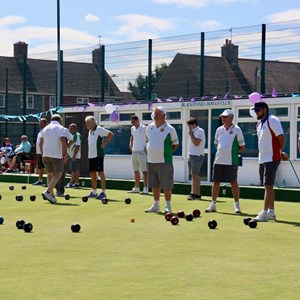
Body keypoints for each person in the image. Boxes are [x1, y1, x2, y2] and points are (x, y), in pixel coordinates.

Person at [205, 109, 245, 214]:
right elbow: (216, 144)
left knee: (234, 183)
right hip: (218, 160)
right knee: (216, 182)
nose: (223, 118)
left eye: (225, 117)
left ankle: (237, 206)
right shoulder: (219, 129)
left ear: (231, 118)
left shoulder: (237, 130)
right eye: (222, 116)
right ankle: (213, 204)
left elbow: (242, 147)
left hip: (232, 161)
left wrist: (232, 152)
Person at [252, 102, 286, 222]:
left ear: (265, 110)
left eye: (258, 109)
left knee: (268, 185)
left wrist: (280, 152)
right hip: (263, 158)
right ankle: (271, 212)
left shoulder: (273, 120)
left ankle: (264, 212)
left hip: (272, 158)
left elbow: (281, 137)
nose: (256, 112)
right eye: (255, 110)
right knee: (268, 186)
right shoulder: (259, 124)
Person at [144, 106, 179, 214]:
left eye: (158, 113)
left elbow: (176, 144)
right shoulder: (149, 127)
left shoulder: (170, 129)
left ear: (164, 115)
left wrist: (166, 153)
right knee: (154, 184)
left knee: (166, 185)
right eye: (155, 113)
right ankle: (156, 205)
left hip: (164, 161)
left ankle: (168, 206)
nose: (155, 115)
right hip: (151, 160)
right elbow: (147, 141)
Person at [39, 114, 68, 204]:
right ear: (60, 120)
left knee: (50, 174)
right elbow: (64, 140)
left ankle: (51, 196)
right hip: (56, 154)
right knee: (58, 174)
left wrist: (42, 155)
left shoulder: (45, 128)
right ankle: (47, 192)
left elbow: (40, 142)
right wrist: (65, 154)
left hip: (46, 154)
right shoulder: (61, 128)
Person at [85, 115, 114, 200]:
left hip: (98, 155)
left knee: (100, 173)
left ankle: (103, 192)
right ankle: (94, 192)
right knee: (92, 173)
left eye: (88, 123)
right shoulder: (89, 131)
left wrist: (104, 143)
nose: (87, 124)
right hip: (91, 155)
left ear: (93, 122)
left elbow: (110, 134)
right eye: (86, 123)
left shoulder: (99, 129)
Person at [186, 117, 206, 200]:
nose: (189, 127)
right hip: (191, 155)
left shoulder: (200, 131)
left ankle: (193, 193)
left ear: (194, 124)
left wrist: (191, 134)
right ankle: (197, 194)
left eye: (190, 125)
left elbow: (196, 143)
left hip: (197, 155)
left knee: (195, 175)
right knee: (194, 175)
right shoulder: (194, 132)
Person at [128, 115, 148, 194]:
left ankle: (145, 188)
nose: (133, 124)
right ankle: (137, 188)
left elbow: (148, 138)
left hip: (141, 151)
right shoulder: (132, 128)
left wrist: (146, 147)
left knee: (144, 171)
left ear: (137, 120)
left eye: (133, 122)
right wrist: (130, 144)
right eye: (131, 122)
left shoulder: (144, 128)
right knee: (136, 170)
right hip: (134, 151)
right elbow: (132, 137)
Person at [55, 127, 73, 197]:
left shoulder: (64, 130)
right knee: (54, 173)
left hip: (61, 155)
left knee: (61, 173)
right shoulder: (49, 130)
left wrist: (66, 148)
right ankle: (55, 190)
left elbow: (71, 140)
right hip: (54, 155)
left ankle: (60, 191)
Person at [66, 123, 82, 188]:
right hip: (71, 155)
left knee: (74, 170)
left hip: (74, 156)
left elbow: (78, 146)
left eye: (71, 128)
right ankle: (77, 183)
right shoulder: (71, 135)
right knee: (75, 169)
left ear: (75, 129)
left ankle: (71, 183)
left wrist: (74, 155)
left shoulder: (77, 135)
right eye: (69, 128)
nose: (70, 130)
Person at [33, 118, 48, 185]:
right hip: (39, 152)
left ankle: (49, 182)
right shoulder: (40, 131)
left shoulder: (47, 130)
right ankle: (40, 180)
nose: (39, 124)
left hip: (45, 152)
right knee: (40, 167)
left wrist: (43, 153)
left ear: (45, 123)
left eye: (41, 122)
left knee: (48, 167)